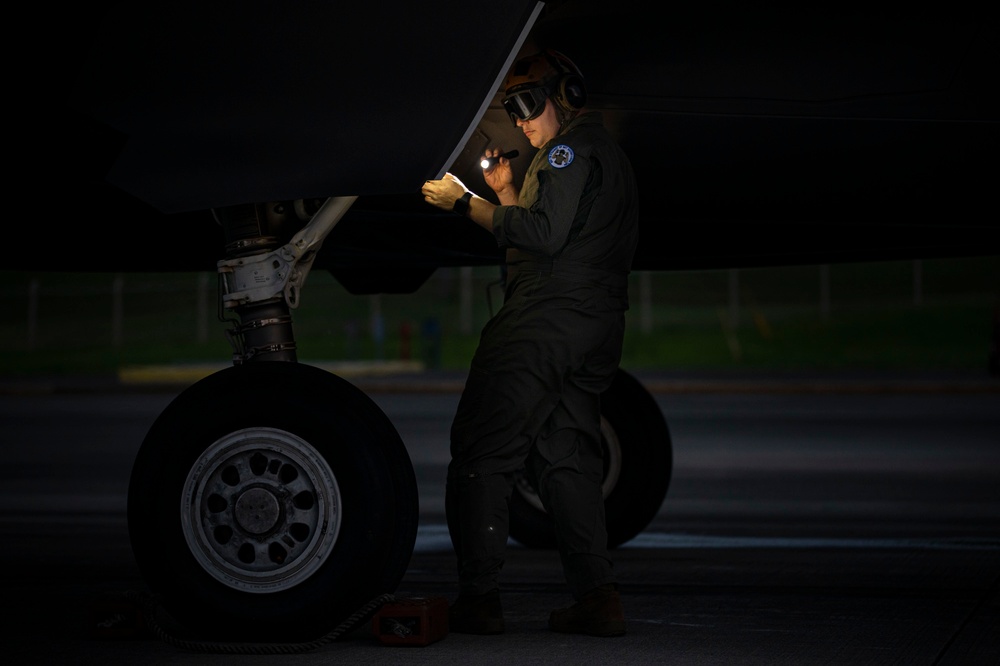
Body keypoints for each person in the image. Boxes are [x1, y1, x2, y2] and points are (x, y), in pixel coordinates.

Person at [420, 48, 639, 637]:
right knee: (567, 459)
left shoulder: (567, 152)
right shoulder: (606, 155)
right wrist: (507, 190)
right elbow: (554, 234)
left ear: (562, 98)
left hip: (545, 320)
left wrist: (465, 202)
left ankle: (480, 598)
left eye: (526, 105)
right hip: (594, 323)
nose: (519, 121)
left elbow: (541, 237)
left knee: (482, 449)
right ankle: (598, 597)